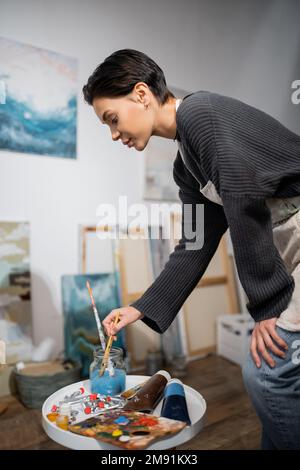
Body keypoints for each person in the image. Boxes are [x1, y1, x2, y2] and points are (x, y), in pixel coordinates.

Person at [82, 49, 300, 449]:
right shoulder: (186, 166)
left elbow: (244, 202)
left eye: (112, 119)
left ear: (142, 94)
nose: (114, 134)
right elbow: (195, 244)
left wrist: (267, 308)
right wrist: (140, 307)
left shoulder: (202, 115)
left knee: (270, 370)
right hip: (288, 245)